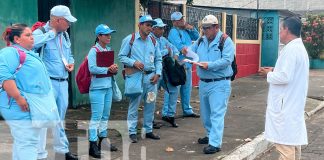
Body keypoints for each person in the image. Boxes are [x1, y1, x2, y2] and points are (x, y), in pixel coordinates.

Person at [0, 24, 54, 160]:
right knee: (28, 143)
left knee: (22, 142)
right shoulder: (10, 52)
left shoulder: (26, 53)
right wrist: (18, 98)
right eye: (28, 35)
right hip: (18, 105)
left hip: (26, 104)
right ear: (17, 39)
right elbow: (4, 76)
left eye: (32, 35)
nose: (32, 38)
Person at [259, 16, 309, 160]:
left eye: (280, 29)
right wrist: (275, 70)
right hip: (291, 105)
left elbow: (285, 77)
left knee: (285, 147)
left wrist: (269, 74)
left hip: (285, 107)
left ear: (287, 29)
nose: (279, 33)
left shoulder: (292, 50)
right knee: (292, 145)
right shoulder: (297, 48)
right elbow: (289, 72)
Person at [32, 5, 78, 160]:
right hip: (47, 83)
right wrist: (51, 33)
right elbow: (31, 44)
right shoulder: (41, 33)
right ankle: (39, 155)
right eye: (67, 21)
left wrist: (71, 62)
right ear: (58, 20)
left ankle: (62, 151)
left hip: (63, 81)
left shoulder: (65, 35)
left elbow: (69, 53)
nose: (69, 24)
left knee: (60, 118)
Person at [190, 15, 234, 154]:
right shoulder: (200, 40)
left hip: (219, 83)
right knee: (206, 113)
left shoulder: (225, 41)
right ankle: (210, 135)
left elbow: (227, 60)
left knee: (217, 113)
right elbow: (192, 51)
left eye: (208, 28)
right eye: (203, 28)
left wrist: (209, 65)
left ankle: (215, 143)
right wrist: (187, 52)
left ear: (216, 27)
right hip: (204, 83)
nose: (205, 31)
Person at [118, 15, 162, 143]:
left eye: (151, 26)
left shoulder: (153, 41)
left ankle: (148, 130)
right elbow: (121, 56)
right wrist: (133, 62)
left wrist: (157, 74)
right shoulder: (130, 39)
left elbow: (158, 59)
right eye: (147, 25)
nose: (150, 28)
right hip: (136, 78)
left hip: (151, 79)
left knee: (150, 104)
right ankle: (131, 132)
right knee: (134, 105)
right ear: (140, 25)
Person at [87, 24, 118, 158]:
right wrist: (108, 69)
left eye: (110, 34)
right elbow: (92, 68)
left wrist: (114, 68)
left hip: (108, 86)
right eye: (106, 35)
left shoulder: (108, 49)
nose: (109, 37)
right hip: (97, 88)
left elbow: (109, 68)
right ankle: (92, 145)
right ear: (99, 36)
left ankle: (103, 141)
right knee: (96, 117)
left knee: (105, 116)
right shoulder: (94, 50)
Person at [168, 11, 200, 118]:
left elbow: (197, 37)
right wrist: (192, 54)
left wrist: (191, 28)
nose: (182, 20)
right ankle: (167, 113)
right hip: (178, 64)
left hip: (187, 64)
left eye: (182, 18)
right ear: (174, 22)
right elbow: (180, 47)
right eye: (179, 19)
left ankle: (187, 110)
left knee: (187, 88)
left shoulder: (186, 31)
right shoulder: (173, 32)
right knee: (174, 89)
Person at [151, 18, 180, 128]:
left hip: (165, 71)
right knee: (152, 95)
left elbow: (174, 49)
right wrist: (166, 51)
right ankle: (150, 120)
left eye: (163, 28)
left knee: (173, 90)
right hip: (154, 71)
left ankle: (170, 115)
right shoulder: (150, 39)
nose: (163, 30)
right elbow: (154, 54)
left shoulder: (163, 39)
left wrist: (173, 54)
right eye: (160, 28)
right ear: (154, 29)